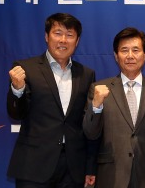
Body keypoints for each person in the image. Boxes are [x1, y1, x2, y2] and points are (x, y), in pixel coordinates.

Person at [7, 13, 96, 187]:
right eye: (58, 33)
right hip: (34, 165)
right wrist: (18, 89)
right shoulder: (26, 68)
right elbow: (16, 113)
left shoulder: (86, 74)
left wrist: (90, 167)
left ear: (77, 41)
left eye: (70, 35)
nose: (63, 40)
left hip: (73, 168)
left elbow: (88, 124)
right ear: (47, 36)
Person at [83, 27, 145, 188]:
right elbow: (90, 132)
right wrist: (96, 105)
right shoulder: (98, 88)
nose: (130, 56)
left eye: (136, 50)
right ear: (116, 56)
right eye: (124, 50)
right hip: (111, 174)